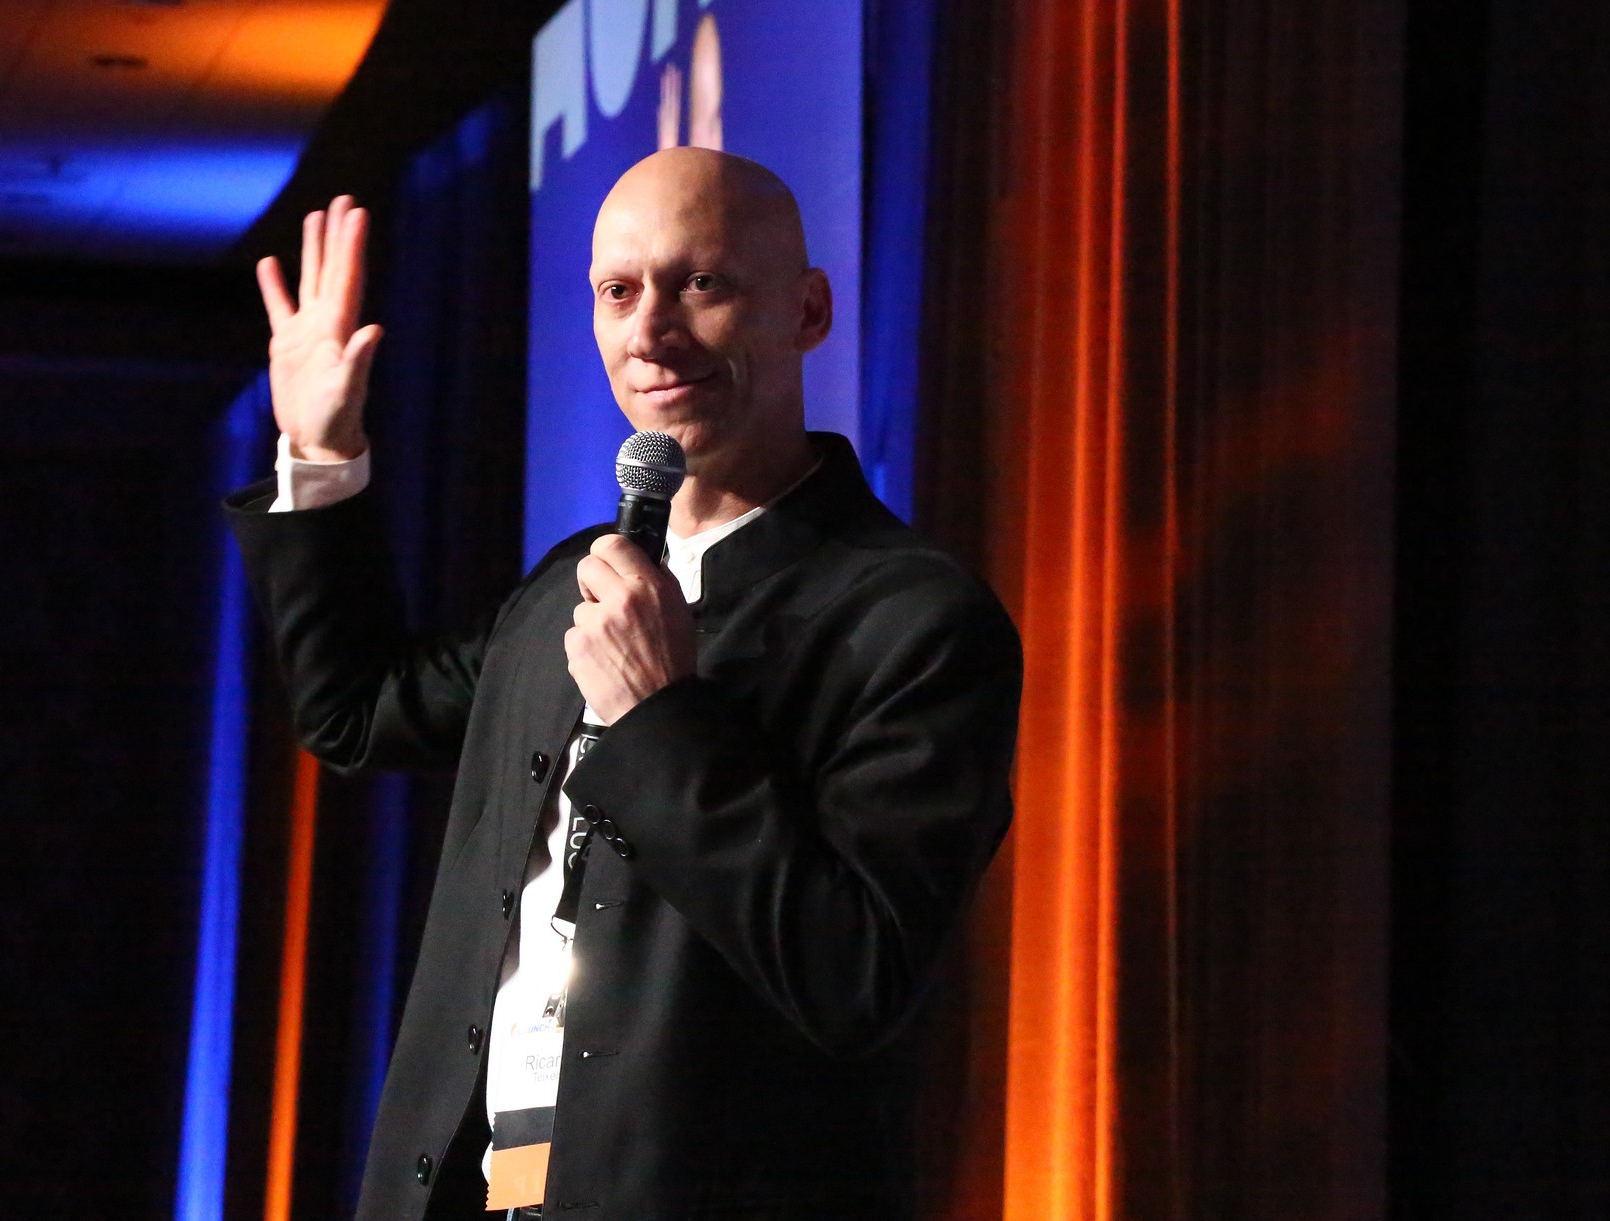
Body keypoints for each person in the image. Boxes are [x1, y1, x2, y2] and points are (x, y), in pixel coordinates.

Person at [228, 147, 1021, 1219]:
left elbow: (856, 974)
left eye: (701, 283)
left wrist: (659, 718)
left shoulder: (910, 618)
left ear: (807, 310)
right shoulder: (573, 581)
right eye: (618, 292)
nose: (649, 332)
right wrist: (320, 457)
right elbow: (356, 713)